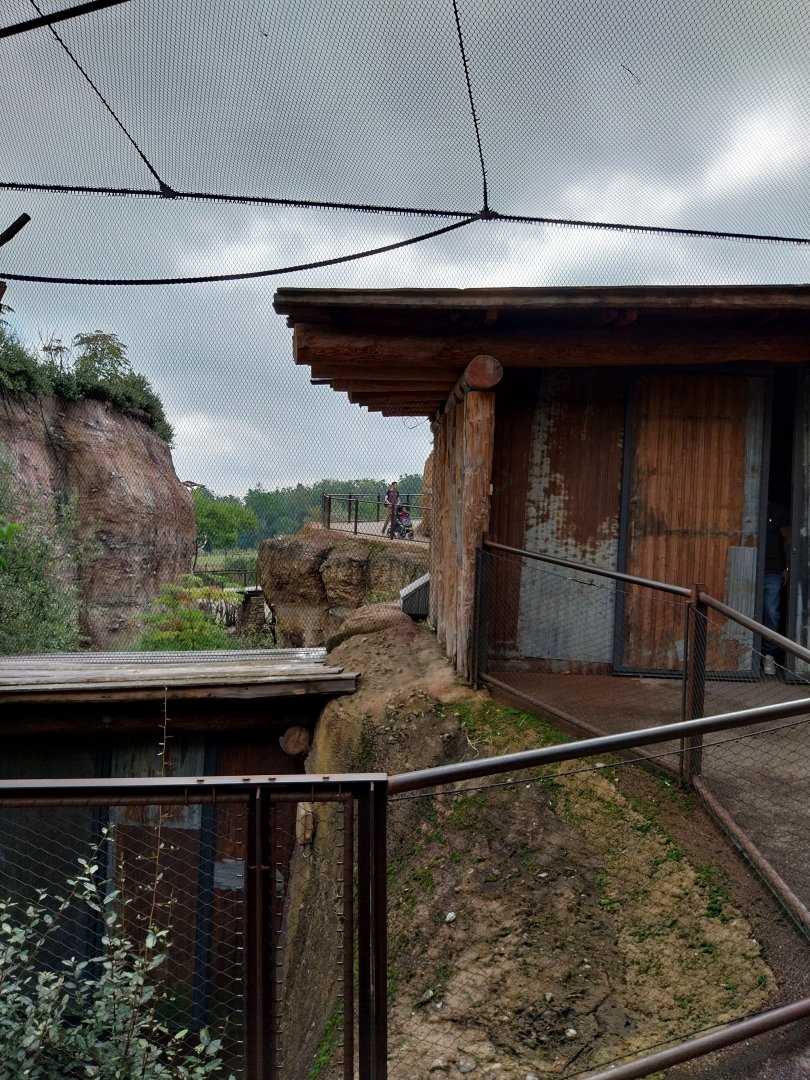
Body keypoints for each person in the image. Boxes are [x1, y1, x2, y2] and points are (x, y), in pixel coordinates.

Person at [762, 500, 791, 675]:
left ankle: (769, 655)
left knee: (771, 612)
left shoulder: (778, 511)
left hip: (772, 571)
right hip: (749, 568)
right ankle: (745, 656)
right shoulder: (750, 508)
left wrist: (787, 567)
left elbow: (788, 540)